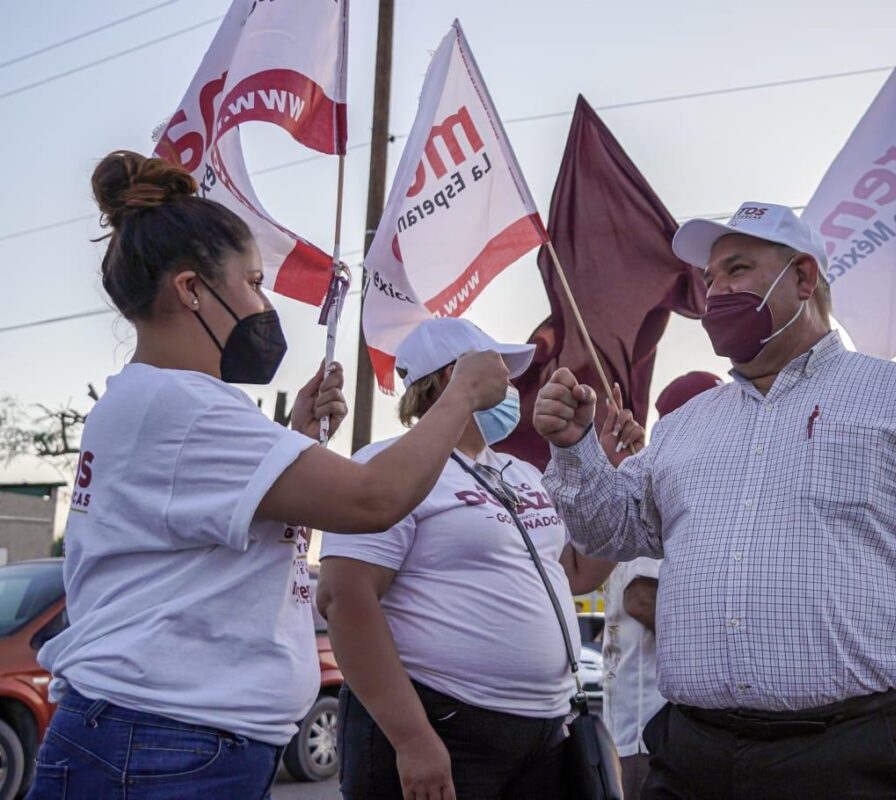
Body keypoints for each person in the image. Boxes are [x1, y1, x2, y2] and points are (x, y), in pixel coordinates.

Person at [27, 152, 511, 800]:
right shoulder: (183, 407)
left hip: (162, 743)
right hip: (158, 749)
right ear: (191, 289)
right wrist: (460, 392)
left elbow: (212, 537)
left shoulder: (158, 402)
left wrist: (294, 441)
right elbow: (375, 498)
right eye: (252, 282)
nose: (262, 303)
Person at [533, 201, 896, 800]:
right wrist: (575, 449)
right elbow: (607, 533)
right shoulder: (685, 426)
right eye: (711, 277)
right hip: (693, 756)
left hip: (851, 757)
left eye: (737, 268)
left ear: (802, 278)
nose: (717, 290)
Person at [316, 317, 644, 800]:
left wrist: (612, 472)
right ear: (453, 376)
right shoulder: (384, 466)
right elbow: (345, 599)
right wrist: (413, 739)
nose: (511, 387)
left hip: (545, 733)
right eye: (500, 373)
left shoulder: (522, 473)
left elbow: (575, 573)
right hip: (445, 726)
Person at [602, 370, 723, 798]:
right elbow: (641, 599)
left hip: (684, 725)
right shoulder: (657, 492)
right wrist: (730, 637)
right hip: (648, 727)